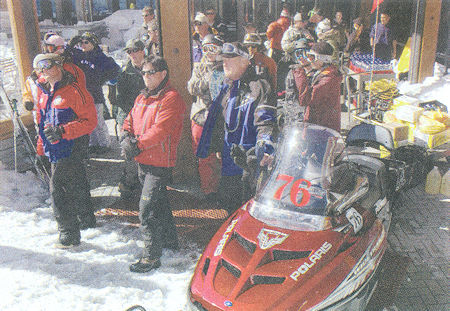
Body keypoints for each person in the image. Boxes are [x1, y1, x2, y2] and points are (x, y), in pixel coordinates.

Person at [197, 42, 277, 214]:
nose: (224, 62)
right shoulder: (226, 86)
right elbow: (219, 121)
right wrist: (216, 146)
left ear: (245, 61)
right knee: (229, 207)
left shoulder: (259, 86)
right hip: (228, 163)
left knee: (247, 212)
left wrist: (265, 145)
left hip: (249, 165)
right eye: (223, 59)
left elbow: (266, 121)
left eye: (230, 59)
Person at [122, 55, 186, 273]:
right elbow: (129, 119)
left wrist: (137, 144)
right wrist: (125, 135)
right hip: (143, 161)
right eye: (144, 72)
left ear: (163, 74)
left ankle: (150, 257)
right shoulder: (142, 97)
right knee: (159, 204)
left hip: (160, 163)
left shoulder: (171, 98)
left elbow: (161, 130)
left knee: (147, 209)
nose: (146, 77)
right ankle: (170, 242)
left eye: (151, 72)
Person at [32, 53, 97, 247]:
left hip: (71, 146)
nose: (44, 72)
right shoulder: (44, 91)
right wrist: (41, 149)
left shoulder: (76, 91)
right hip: (54, 147)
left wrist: (63, 131)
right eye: (39, 68)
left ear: (58, 66)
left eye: (47, 66)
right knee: (76, 183)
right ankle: (86, 220)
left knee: (58, 189)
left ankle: (68, 234)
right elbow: (42, 122)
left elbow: (90, 122)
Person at [66, 32, 120, 155]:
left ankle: (104, 144)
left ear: (93, 43)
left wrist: (101, 79)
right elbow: (67, 55)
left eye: (86, 42)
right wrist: (71, 45)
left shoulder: (100, 57)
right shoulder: (79, 56)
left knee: (98, 120)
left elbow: (115, 70)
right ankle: (93, 143)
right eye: (81, 43)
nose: (83, 45)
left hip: (95, 95)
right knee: (86, 120)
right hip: (82, 96)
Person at [187, 35, 225, 202]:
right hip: (202, 115)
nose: (209, 53)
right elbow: (192, 87)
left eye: (213, 48)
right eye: (205, 49)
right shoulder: (200, 67)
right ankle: (209, 189)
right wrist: (208, 78)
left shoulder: (226, 65)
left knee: (221, 154)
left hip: (221, 116)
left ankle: (222, 186)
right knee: (204, 155)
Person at [113, 39, 147, 199]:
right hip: (129, 115)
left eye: (135, 50)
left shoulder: (151, 67)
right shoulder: (124, 72)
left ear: (142, 50)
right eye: (129, 51)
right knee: (128, 151)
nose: (132, 54)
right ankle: (128, 184)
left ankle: (143, 183)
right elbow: (118, 99)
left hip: (146, 116)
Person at [284, 41, 342, 132]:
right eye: (309, 55)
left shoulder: (329, 78)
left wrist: (299, 73)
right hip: (314, 123)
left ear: (324, 59)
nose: (309, 59)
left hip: (323, 128)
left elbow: (305, 99)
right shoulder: (320, 72)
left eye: (312, 57)